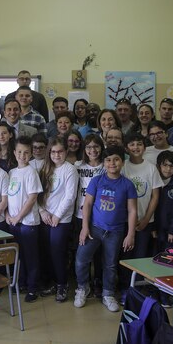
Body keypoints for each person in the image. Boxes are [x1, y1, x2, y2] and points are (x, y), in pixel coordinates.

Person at [74, 145, 137, 312]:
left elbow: (132, 210)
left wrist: (130, 234)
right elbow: (87, 204)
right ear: (104, 163)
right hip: (94, 229)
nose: (112, 163)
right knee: (81, 259)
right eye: (108, 160)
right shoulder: (97, 181)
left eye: (116, 159)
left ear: (122, 162)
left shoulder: (127, 185)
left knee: (110, 264)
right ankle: (82, 288)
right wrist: (84, 227)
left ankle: (108, 294)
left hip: (115, 231)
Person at [38, 137, 79, 303]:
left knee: (57, 252)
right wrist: (42, 211)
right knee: (47, 252)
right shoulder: (45, 168)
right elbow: (38, 192)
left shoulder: (70, 170)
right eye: (53, 151)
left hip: (61, 219)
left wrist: (57, 216)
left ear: (66, 152)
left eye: (60, 151)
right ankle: (53, 282)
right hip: (45, 216)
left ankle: (62, 284)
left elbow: (70, 196)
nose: (56, 155)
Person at [6, 136, 43, 303]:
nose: (22, 155)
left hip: (27, 222)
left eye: (26, 152)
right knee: (18, 255)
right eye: (19, 152)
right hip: (13, 221)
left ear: (31, 154)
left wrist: (18, 217)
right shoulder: (12, 172)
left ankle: (32, 287)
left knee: (31, 257)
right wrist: (8, 215)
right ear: (14, 153)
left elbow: (32, 198)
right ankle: (19, 283)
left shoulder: (31, 172)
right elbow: (7, 196)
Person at [122, 132, 163, 262]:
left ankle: (138, 282)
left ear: (145, 148)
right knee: (125, 254)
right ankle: (125, 282)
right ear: (126, 148)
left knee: (140, 255)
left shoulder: (151, 168)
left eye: (139, 144)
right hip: (124, 221)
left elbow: (155, 196)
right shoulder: (123, 166)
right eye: (132, 144)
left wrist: (146, 219)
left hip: (145, 221)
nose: (136, 147)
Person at [73, 133, 105, 297]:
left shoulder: (106, 166)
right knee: (82, 252)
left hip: (101, 217)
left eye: (96, 146)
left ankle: (98, 281)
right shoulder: (78, 166)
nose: (93, 150)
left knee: (100, 254)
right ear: (84, 149)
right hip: (80, 215)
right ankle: (82, 284)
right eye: (89, 147)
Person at [154, 150, 173, 253]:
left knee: (169, 256)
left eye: (172, 166)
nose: (168, 169)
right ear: (158, 166)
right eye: (165, 165)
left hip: (169, 231)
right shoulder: (153, 183)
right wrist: (152, 227)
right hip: (155, 229)